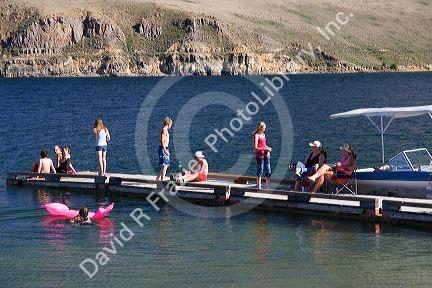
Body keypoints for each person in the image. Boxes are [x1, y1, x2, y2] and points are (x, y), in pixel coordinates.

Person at [253, 122, 272, 190]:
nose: (264, 130)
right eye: (263, 128)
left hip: (266, 155)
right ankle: (259, 187)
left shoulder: (264, 135)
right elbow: (255, 148)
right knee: (260, 170)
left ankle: (268, 187)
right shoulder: (256, 135)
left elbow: (263, 145)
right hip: (260, 156)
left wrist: (268, 148)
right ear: (260, 128)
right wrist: (265, 148)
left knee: (268, 171)